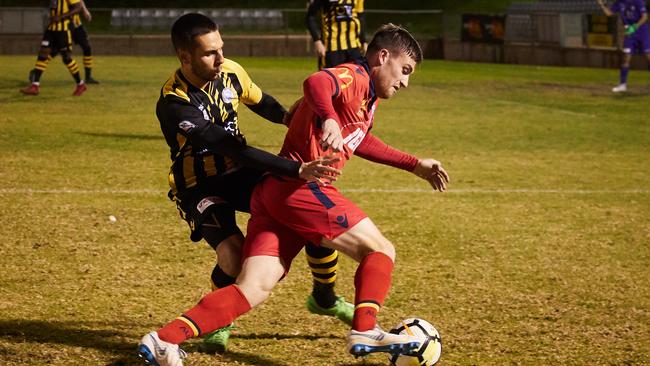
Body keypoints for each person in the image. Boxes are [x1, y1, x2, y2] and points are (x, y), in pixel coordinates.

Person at [138, 23, 450, 366]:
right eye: (404, 70)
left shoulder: (366, 100)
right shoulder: (355, 76)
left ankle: (163, 339)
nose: (405, 81)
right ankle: (364, 328)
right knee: (380, 249)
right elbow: (316, 82)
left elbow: (359, 139)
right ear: (383, 56)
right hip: (297, 188)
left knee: (253, 287)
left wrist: (413, 164)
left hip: (272, 193)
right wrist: (327, 117)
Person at [152, 13, 350, 355]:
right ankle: (220, 318)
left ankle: (325, 296)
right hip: (200, 186)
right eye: (209, 53)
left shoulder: (230, 71)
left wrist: (289, 117)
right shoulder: (174, 104)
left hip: (239, 174)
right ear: (184, 57)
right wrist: (295, 168)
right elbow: (232, 148)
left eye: (221, 49)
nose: (220, 59)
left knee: (313, 210)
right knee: (234, 257)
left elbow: (260, 100)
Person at [20, 0, 87, 96]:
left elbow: (79, 7)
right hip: (51, 29)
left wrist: (61, 16)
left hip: (63, 30)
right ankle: (35, 86)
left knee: (67, 58)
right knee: (43, 53)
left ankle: (81, 84)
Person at [29, 0, 99, 84]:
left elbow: (79, 2)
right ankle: (37, 71)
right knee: (58, 51)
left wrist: (85, 10)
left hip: (76, 25)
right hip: (65, 26)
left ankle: (87, 77)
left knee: (86, 47)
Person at [597, 0, 650, 92]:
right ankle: (623, 84)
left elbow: (645, 17)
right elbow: (609, 13)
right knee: (626, 58)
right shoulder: (619, 2)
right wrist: (602, 4)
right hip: (629, 34)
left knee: (648, 56)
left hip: (642, 32)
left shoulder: (638, 1)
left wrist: (634, 27)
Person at [307, 0, 366, 70]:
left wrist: (363, 41)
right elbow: (311, 17)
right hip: (331, 47)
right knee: (330, 78)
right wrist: (317, 41)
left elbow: (360, 17)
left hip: (354, 46)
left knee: (357, 77)